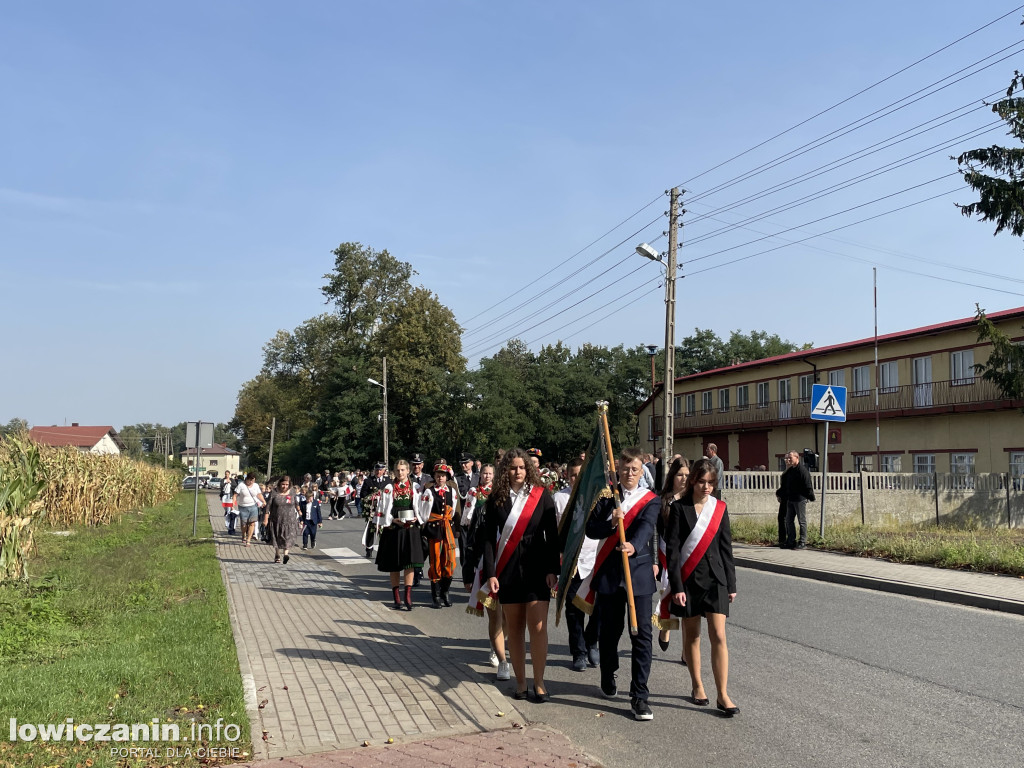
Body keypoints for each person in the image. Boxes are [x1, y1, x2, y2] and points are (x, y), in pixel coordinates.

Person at [584, 447, 660, 721]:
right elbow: (591, 529)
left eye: (635, 469)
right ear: (619, 470)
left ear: (642, 472)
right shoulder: (607, 497)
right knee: (610, 632)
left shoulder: (651, 500)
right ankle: (608, 670)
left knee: (641, 636)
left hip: (637, 574)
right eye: (625, 469)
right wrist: (611, 524)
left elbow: (646, 527)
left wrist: (633, 545)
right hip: (610, 574)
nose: (630, 474)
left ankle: (640, 696)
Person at [481, 448, 559, 702]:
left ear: (529, 469)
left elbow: (552, 536)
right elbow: (487, 540)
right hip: (508, 569)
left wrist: (552, 569)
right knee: (514, 628)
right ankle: (521, 683)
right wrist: (491, 573)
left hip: (537, 568)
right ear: (506, 470)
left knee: (537, 626)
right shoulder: (496, 499)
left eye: (522, 467)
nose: (518, 472)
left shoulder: (541, 496)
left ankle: (539, 682)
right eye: (513, 467)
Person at [666, 458, 739, 717]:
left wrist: (731, 583)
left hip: (716, 579)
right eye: (702, 482)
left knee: (719, 635)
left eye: (711, 483)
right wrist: (676, 587)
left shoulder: (720, 508)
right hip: (689, 580)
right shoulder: (679, 508)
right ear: (693, 480)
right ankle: (698, 685)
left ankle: (723, 694)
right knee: (693, 635)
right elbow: (673, 551)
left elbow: (726, 548)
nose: (706, 487)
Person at [463, 464, 510, 680]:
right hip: (490, 567)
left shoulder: (520, 506)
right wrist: (467, 572)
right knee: (496, 615)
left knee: (510, 618)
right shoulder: (485, 507)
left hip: (513, 568)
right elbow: (472, 541)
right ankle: (501, 659)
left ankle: (498, 644)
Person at [555, 458, 601, 672]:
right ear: (567, 476)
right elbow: (554, 532)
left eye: (580, 475)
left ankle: (592, 640)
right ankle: (579, 651)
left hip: (595, 559)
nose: (576, 479)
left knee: (598, 607)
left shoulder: (596, 496)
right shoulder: (560, 498)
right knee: (573, 610)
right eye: (573, 475)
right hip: (571, 561)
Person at [376, 459, 424, 611]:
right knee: (394, 563)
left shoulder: (415, 486)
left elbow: (421, 506)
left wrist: (418, 517)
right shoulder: (389, 487)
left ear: (408, 471)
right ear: (394, 472)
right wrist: (392, 519)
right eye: (398, 470)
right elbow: (384, 508)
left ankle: (408, 595)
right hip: (394, 528)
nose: (400, 473)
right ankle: (396, 597)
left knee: (409, 562)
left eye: (403, 470)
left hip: (410, 527)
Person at [655, 457, 689, 654]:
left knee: (689, 604)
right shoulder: (663, 499)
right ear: (672, 476)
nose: (683, 479)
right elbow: (657, 530)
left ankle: (687, 650)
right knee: (670, 591)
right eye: (679, 475)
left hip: (689, 554)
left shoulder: (693, 498)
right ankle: (666, 627)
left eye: (687, 475)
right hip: (668, 553)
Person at [418, 461, 460, 608]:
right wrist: (426, 527)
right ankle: (435, 595)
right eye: (438, 475)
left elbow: (453, 511)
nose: (441, 478)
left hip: (447, 528)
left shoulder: (452, 491)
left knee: (450, 561)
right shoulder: (429, 492)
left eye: (443, 475)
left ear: (447, 477)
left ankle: (445, 592)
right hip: (434, 529)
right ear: (434, 476)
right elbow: (424, 513)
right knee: (435, 560)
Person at [776, 451, 815, 549]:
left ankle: (802, 542)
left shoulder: (802, 470)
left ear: (797, 458)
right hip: (790, 499)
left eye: (790, 458)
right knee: (789, 521)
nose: (788, 460)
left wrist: (810, 497)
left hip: (799, 499)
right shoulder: (791, 470)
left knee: (801, 521)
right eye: (787, 458)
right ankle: (791, 541)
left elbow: (808, 485)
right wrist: (780, 493)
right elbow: (786, 485)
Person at [263, 476, 300, 564]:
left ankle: (286, 554)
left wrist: (299, 511)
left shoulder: (292, 492)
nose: (285, 486)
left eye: (287, 484)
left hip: (290, 520)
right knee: (277, 537)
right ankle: (277, 554)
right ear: (279, 484)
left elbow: (296, 502)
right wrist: (265, 519)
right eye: (283, 484)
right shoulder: (274, 492)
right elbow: (268, 507)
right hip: (276, 520)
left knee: (288, 537)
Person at [360, 462, 390, 557]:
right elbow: (363, 494)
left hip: (384, 510)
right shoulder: (368, 481)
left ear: (384, 471)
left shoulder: (388, 481)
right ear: (374, 470)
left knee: (385, 529)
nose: (378, 472)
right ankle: (369, 548)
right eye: (377, 470)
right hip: (373, 509)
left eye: (380, 470)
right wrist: (371, 498)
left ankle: (384, 549)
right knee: (371, 529)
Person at [233, 473, 266, 547]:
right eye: (250, 480)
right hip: (243, 506)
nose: (251, 482)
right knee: (244, 524)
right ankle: (243, 535)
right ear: (247, 479)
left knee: (252, 523)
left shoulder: (256, 485)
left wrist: (263, 501)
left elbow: (258, 494)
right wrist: (233, 504)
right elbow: (235, 495)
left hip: (253, 506)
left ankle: (248, 540)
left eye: (253, 480)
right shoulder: (241, 485)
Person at [299, 485, 323, 550]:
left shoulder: (316, 503)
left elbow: (318, 513)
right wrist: (301, 520)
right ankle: (305, 545)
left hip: (313, 521)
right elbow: (300, 513)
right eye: (307, 499)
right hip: (306, 521)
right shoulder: (302, 503)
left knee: (313, 533)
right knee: (305, 533)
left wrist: (320, 522)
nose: (308, 500)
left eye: (310, 498)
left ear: (312, 497)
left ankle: (313, 541)